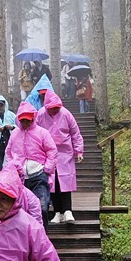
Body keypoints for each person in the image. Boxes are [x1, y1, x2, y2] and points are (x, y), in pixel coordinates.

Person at [4, 102, 58, 224]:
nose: (25, 123)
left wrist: (47, 168)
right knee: (21, 209)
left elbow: (52, 151)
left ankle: (42, 233)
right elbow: (8, 152)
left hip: (39, 175)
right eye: (22, 120)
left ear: (33, 118)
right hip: (20, 177)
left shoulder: (42, 133)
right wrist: (12, 166)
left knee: (41, 207)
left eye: (27, 120)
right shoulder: (15, 134)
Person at [36, 91, 84, 225]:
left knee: (65, 180)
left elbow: (75, 133)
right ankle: (57, 212)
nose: (55, 111)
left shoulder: (66, 114)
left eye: (57, 108)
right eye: (52, 108)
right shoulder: (40, 114)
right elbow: (35, 132)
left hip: (65, 152)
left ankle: (67, 210)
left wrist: (79, 151)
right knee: (52, 182)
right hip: (47, 153)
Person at [0, 94, 16, 171]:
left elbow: (19, 127)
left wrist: (12, 127)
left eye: (1, 105)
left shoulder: (11, 115)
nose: (0, 107)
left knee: (9, 164)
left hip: (9, 143)